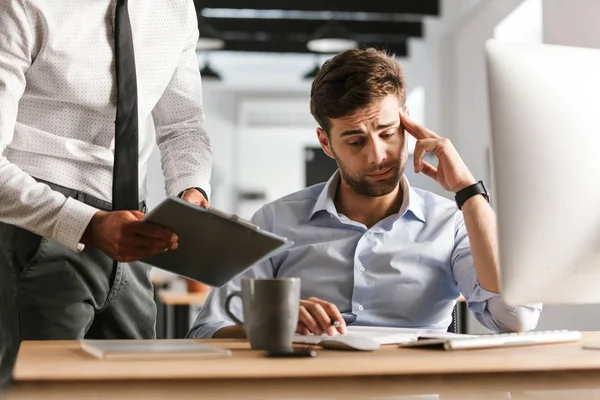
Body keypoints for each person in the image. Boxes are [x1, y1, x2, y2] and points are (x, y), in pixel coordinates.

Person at [188, 48, 541, 339]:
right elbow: (206, 330)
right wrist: (271, 325)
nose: (377, 156)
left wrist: (468, 190)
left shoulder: (449, 223)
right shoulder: (275, 221)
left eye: (388, 133)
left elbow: (514, 318)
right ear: (325, 142)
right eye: (355, 141)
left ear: (407, 122)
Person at [0, 0, 211, 376]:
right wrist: (88, 224)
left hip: (133, 225)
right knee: (43, 389)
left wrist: (191, 191)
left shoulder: (174, 8)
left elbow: (184, 126)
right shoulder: (22, 4)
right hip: (41, 225)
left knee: (135, 385)